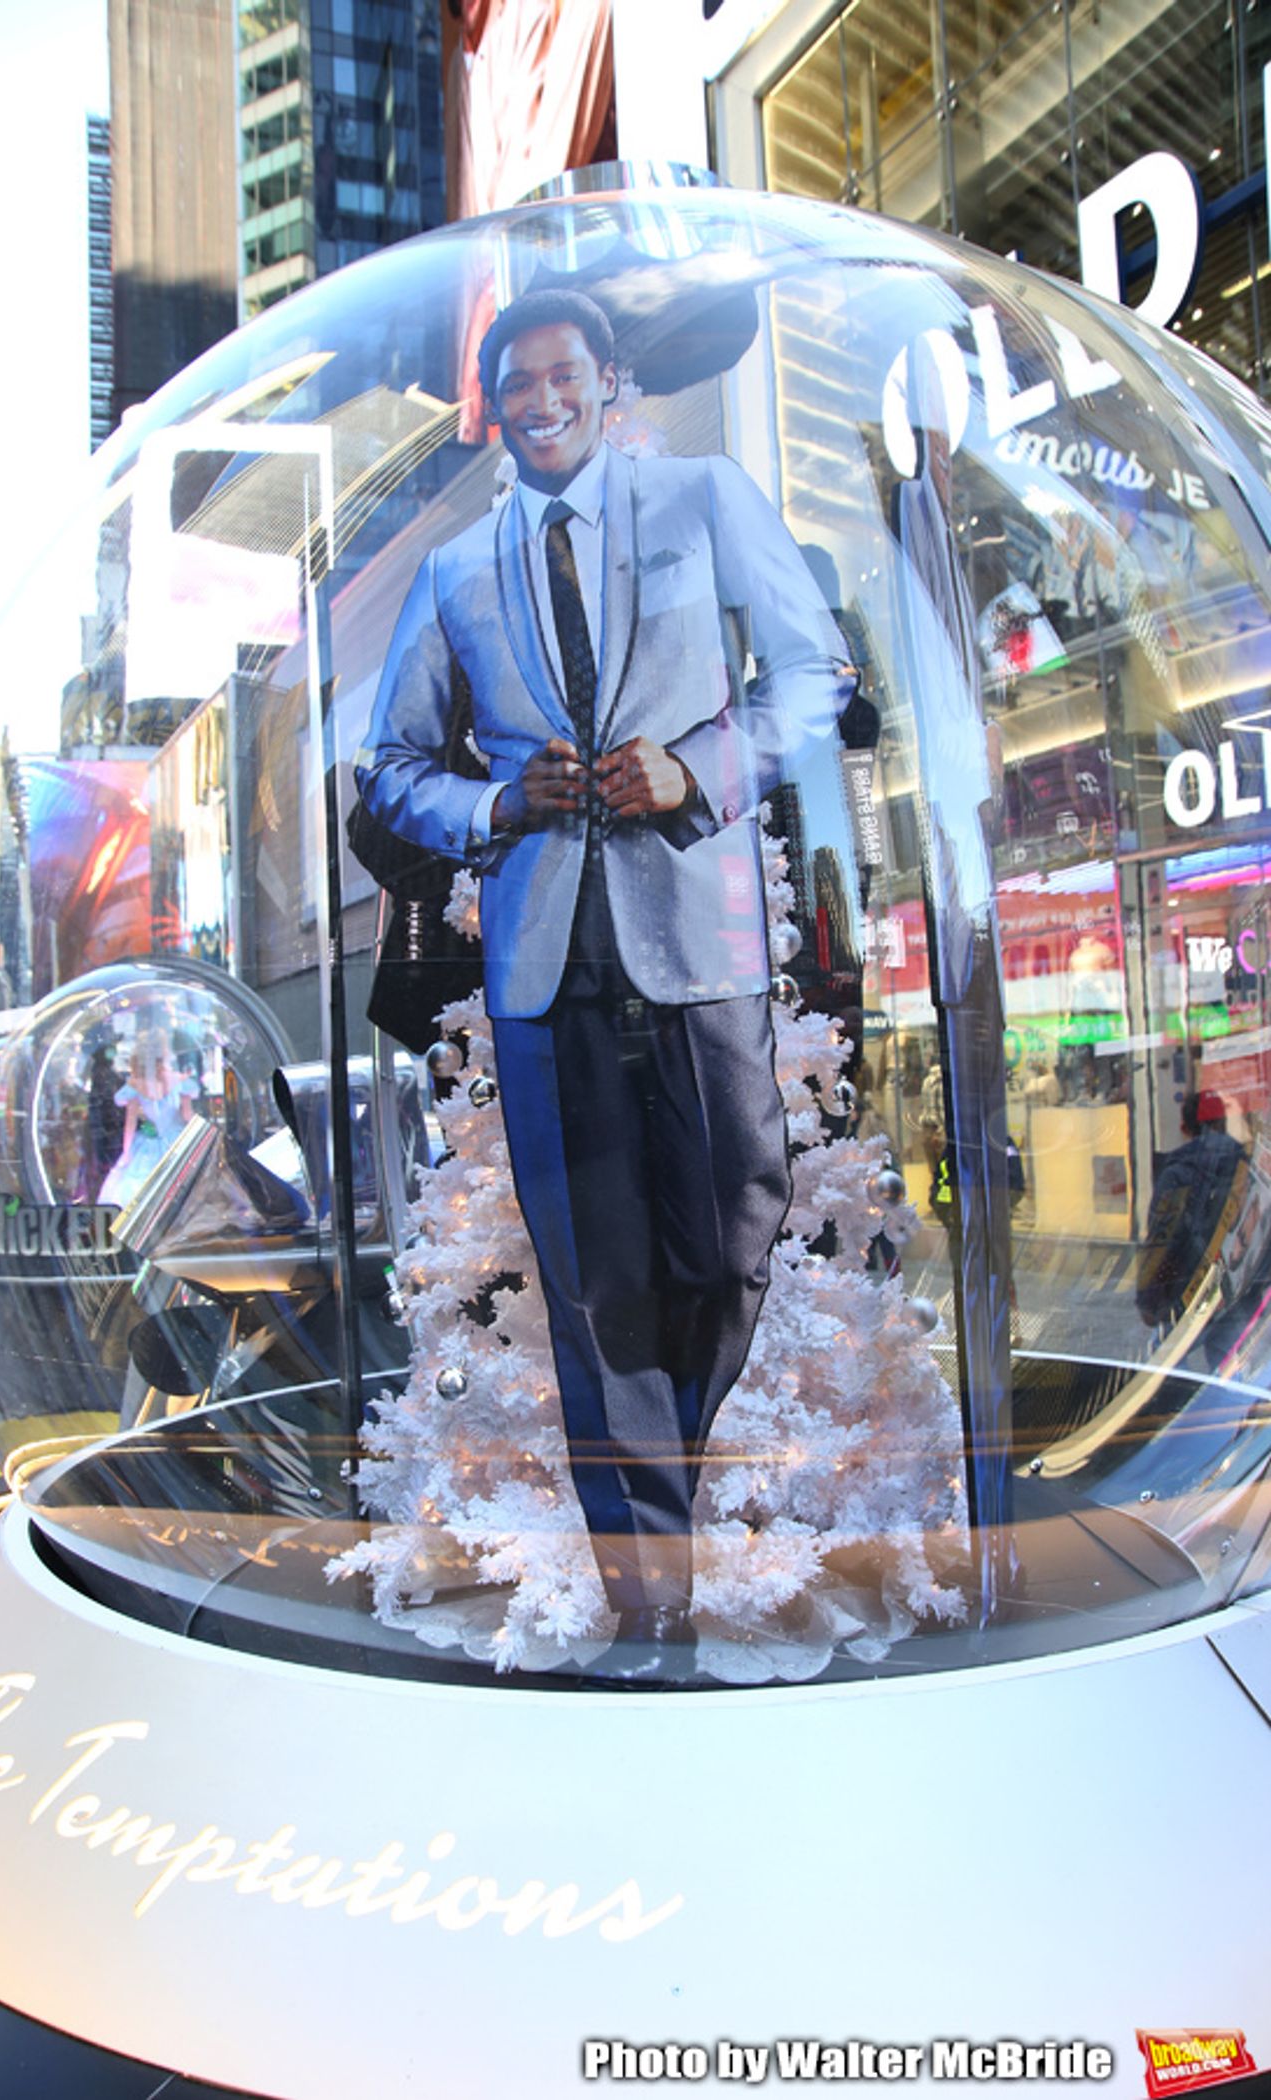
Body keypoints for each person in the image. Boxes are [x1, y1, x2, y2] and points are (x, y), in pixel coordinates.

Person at [356, 287, 852, 1680]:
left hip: (700, 933)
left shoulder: (704, 496)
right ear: (495, 408)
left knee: (734, 1224)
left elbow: (814, 672)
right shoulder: (456, 573)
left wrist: (699, 766)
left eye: (565, 374)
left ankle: (664, 1489)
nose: (544, 398)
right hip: (541, 954)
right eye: (516, 383)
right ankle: (653, 1593)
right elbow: (391, 769)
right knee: (593, 1280)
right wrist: (499, 805)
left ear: (610, 383)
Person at [1136, 1091, 1247, 1339]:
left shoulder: (1176, 1174)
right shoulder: (1242, 1163)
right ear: (1223, 1122)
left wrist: (1147, 1299)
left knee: (1171, 1355)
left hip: (1186, 1285)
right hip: (1235, 1283)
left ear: (1184, 1128)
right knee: (1226, 1354)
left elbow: (1161, 1239)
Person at [98, 1035, 199, 1211]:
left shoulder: (135, 1085)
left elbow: (130, 1124)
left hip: (146, 1145)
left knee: (135, 1188)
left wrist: (127, 1153)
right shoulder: (180, 1081)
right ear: (165, 1054)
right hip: (176, 1140)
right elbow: (187, 1115)